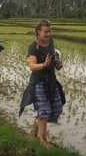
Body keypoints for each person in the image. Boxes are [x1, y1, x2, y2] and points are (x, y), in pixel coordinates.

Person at [19, 20, 66, 149]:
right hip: (38, 81)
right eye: (45, 32)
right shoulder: (33, 46)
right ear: (38, 32)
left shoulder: (51, 42)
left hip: (51, 80)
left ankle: (34, 133)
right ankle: (42, 140)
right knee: (44, 111)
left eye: (49, 31)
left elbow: (55, 60)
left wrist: (58, 63)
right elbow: (32, 66)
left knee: (57, 108)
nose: (48, 34)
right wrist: (43, 65)